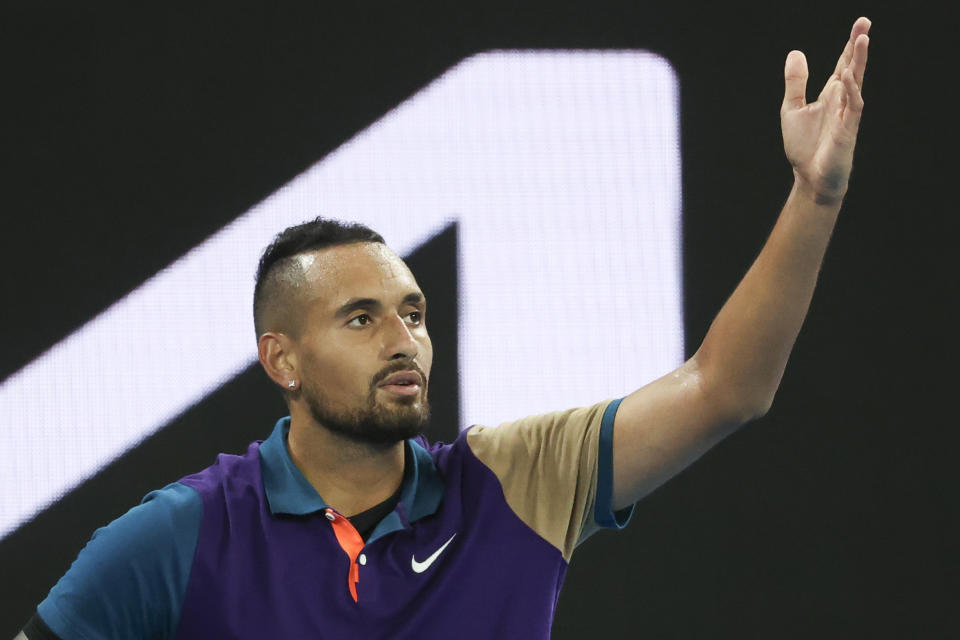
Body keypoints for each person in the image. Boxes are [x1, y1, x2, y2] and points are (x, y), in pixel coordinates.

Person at [17, 17, 871, 639]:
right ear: (282, 358)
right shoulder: (184, 533)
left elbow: (726, 387)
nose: (404, 339)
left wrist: (816, 195)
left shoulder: (515, 481)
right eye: (361, 318)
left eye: (414, 313)